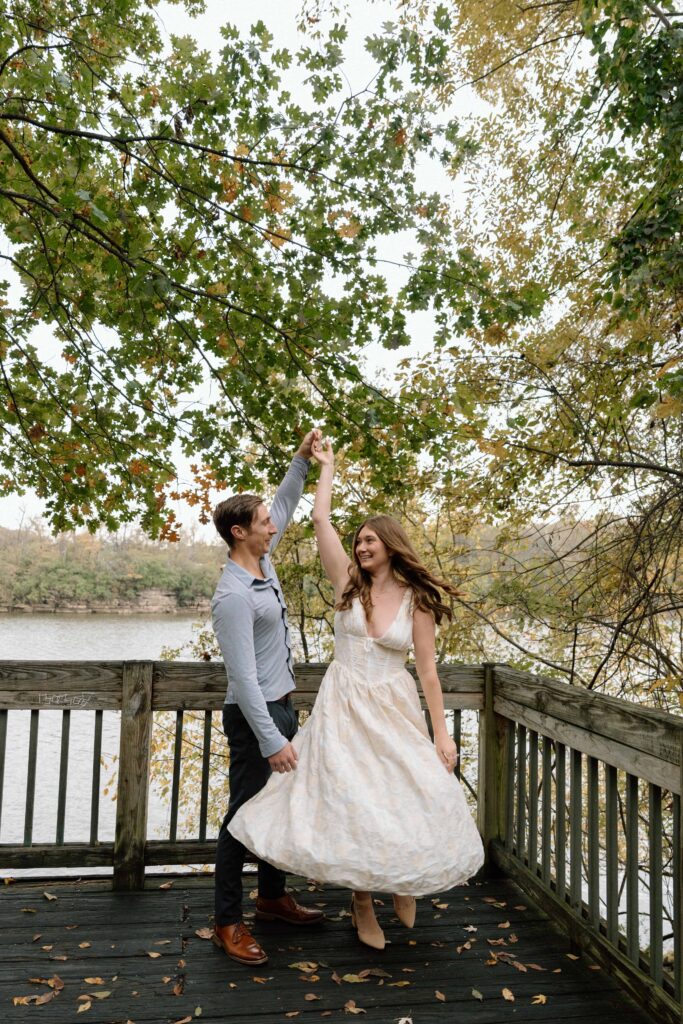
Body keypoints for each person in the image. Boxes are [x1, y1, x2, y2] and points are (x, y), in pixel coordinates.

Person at [228, 436, 484, 950]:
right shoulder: (347, 583)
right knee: (355, 801)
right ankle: (362, 899)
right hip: (343, 706)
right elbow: (321, 521)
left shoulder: (417, 601)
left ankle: (398, 881)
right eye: (359, 540)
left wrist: (442, 735)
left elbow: (429, 672)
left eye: (371, 540)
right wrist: (325, 467)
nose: (362, 547)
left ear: (391, 545)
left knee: (405, 795)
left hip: (392, 706)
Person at [211, 429, 325, 967]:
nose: (273, 526)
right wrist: (273, 737)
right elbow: (243, 679)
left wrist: (301, 460)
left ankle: (273, 898)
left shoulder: (263, 562)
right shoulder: (232, 595)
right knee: (243, 816)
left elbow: (283, 501)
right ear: (240, 533)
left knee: (276, 808)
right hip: (254, 715)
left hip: (282, 704)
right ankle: (227, 922)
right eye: (263, 524)